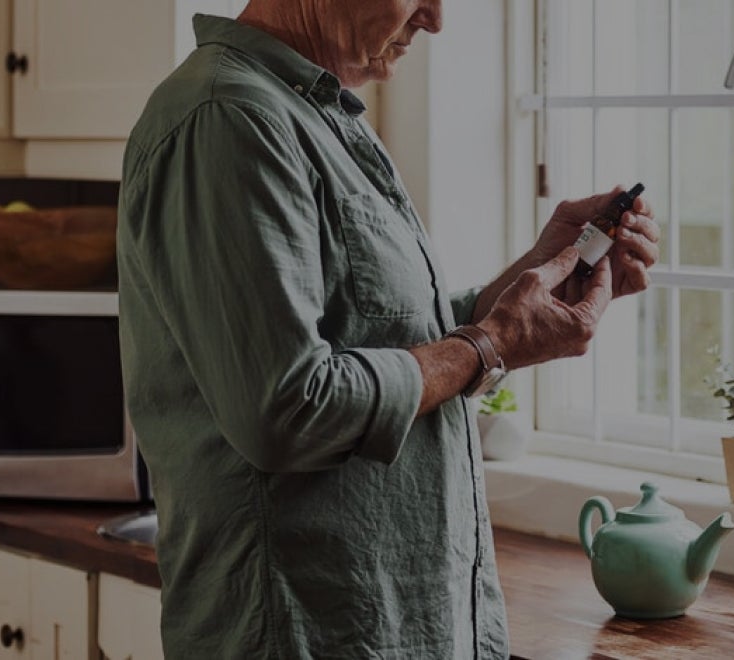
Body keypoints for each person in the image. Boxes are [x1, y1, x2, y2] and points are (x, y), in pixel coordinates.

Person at [116, 1, 659, 658]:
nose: (435, 19)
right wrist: (489, 344)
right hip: (305, 635)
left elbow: (394, 337)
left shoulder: (316, 115)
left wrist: (537, 277)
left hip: (401, 627)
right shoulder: (228, 120)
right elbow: (289, 407)